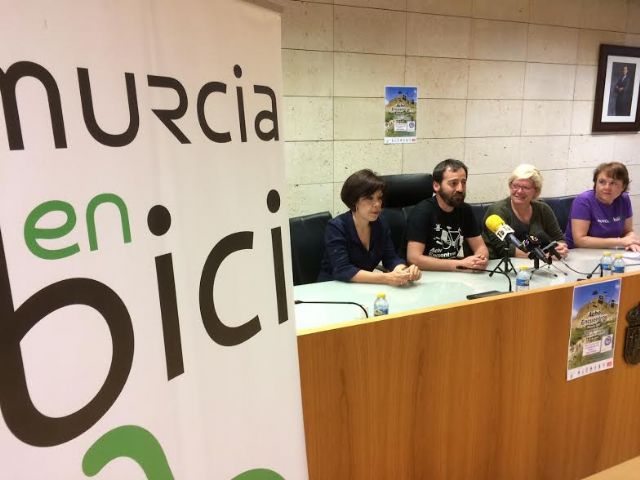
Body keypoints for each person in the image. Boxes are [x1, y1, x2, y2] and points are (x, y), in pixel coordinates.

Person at [318, 169, 421, 284]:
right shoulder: (336, 227)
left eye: (379, 198)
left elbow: (391, 258)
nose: (377, 204)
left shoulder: (380, 224)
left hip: (363, 287)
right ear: (354, 201)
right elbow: (343, 270)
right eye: (369, 198)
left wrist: (404, 271)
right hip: (332, 287)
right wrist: (386, 278)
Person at [406, 159, 489, 271]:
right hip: (427, 275)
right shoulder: (422, 212)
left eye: (463, 182)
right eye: (453, 183)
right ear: (436, 186)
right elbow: (414, 258)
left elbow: (480, 247)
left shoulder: (465, 210)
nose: (460, 189)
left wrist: (480, 260)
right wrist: (459, 264)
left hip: (456, 274)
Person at [482, 164, 569, 259]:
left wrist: (560, 248)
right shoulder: (497, 210)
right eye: (515, 186)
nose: (519, 191)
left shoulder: (543, 209)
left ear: (536, 191)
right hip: (502, 263)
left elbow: (558, 238)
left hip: (539, 263)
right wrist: (543, 256)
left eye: (526, 188)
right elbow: (504, 249)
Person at [566, 162, 640, 252]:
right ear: (595, 183)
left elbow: (628, 231)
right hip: (579, 252)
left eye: (613, 183)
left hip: (610, 251)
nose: (607, 187)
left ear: (623, 186)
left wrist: (631, 241)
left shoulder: (624, 199)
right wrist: (621, 241)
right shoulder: (583, 201)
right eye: (602, 182)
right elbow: (580, 241)